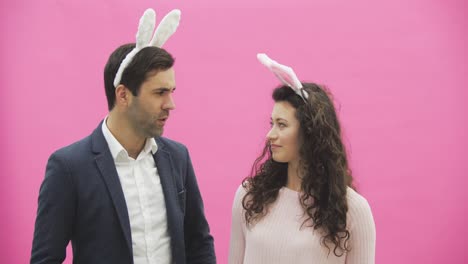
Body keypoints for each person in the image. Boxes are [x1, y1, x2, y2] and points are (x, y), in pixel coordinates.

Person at [31, 8, 216, 264]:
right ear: (123, 95)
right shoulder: (68, 167)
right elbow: (45, 258)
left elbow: (199, 242)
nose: (170, 104)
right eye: (159, 92)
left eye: (172, 91)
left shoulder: (178, 157)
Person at [228, 54, 375, 264]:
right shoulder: (249, 196)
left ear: (309, 132)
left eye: (282, 124)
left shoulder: (352, 210)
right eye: (271, 123)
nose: (270, 135)